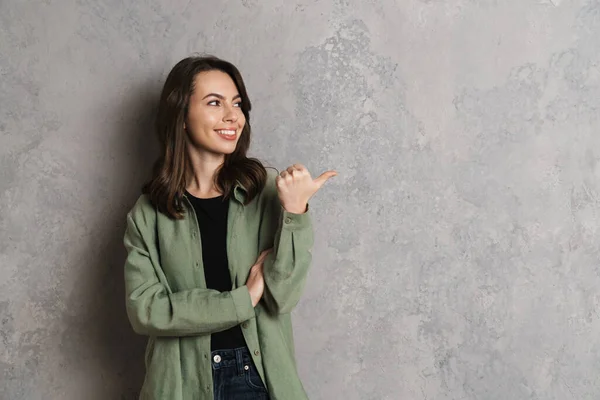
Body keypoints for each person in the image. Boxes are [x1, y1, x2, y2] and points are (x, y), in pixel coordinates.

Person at [123, 55, 337, 400]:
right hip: (181, 384)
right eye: (214, 103)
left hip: (256, 379)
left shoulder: (266, 189)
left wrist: (295, 212)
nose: (232, 116)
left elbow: (283, 296)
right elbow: (145, 311)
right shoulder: (148, 214)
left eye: (237, 104)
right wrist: (243, 299)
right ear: (180, 117)